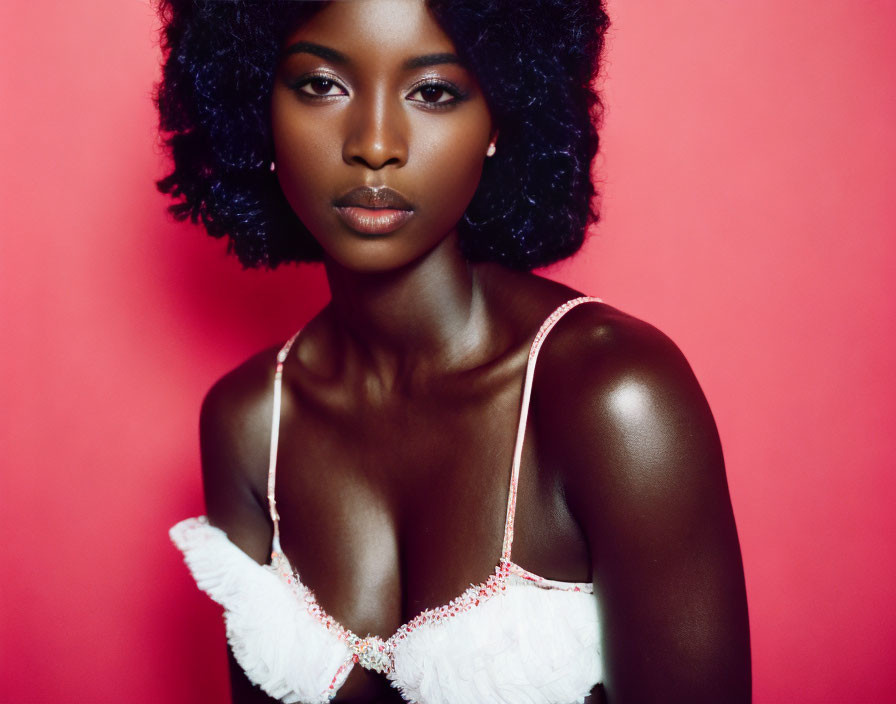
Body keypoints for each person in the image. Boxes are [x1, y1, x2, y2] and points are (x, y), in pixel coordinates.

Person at [155, 1, 751, 702]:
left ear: (500, 117)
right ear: (257, 100)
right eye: (321, 84)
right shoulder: (252, 421)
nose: (374, 143)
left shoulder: (612, 397)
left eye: (434, 91)